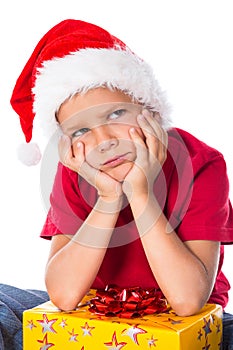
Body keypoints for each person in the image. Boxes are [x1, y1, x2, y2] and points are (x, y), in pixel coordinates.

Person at [1, 19, 232, 349]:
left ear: (149, 110)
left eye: (115, 115)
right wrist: (108, 198)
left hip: (185, 322)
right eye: (80, 131)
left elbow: (187, 300)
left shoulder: (200, 164)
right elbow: (65, 296)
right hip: (95, 313)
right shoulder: (76, 171)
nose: (103, 140)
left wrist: (140, 194)